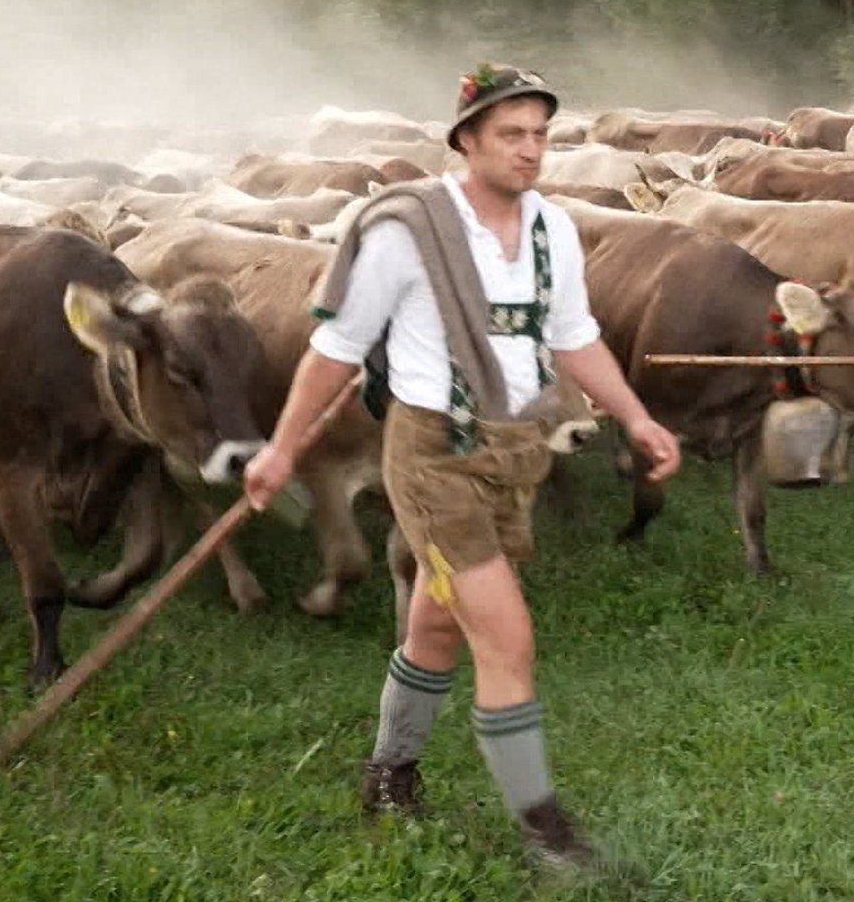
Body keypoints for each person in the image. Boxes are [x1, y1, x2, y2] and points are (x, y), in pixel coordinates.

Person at [241, 63, 682, 872]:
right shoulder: (406, 230)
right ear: (466, 139)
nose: (531, 150)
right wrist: (282, 446)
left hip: (515, 451)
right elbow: (335, 349)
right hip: (431, 454)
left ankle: (388, 773)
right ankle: (546, 834)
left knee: (436, 621)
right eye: (511, 134)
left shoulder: (550, 226)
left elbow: (575, 335)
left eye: (540, 134)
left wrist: (635, 415)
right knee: (506, 636)